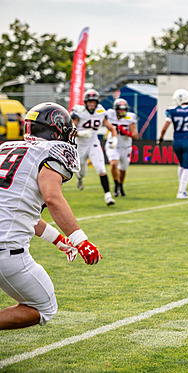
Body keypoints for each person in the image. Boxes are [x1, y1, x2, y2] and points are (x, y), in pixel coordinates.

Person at [0, 102, 102, 330]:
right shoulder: (50, 152)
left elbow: (18, 209)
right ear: (56, 130)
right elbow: (52, 197)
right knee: (43, 308)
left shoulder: (6, 148)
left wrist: (58, 240)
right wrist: (80, 240)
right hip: (6, 251)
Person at [71, 89, 118, 206]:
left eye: (93, 102)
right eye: (89, 102)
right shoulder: (79, 111)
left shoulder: (101, 111)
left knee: (101, 168)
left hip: (93, 142)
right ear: (85, 102)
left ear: (97, 102)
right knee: (81, 171)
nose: (91, 104)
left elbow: (111, 128)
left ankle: (108, 196)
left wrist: (114, 138)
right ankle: (80, 178)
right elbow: (71, 129)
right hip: (80, 143)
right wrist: (80, 133)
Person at [157, 89, 188, 199]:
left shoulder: (172, 111)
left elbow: (165, 128)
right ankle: (181, 191)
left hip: (176, 141)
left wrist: (160, 138)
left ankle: (182, 189)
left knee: (181, 165)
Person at [105, 98, 138, 198]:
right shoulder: (110, 114)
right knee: (114, 163)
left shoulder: (130, 117)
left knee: (123, 169)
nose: (122, 111)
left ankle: (121, 185)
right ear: (116, 109)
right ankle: (116, 185)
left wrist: (126, 133)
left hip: (125, 146)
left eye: (124, 109)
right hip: (113, 144)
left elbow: (135, 135)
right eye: (120, 109)